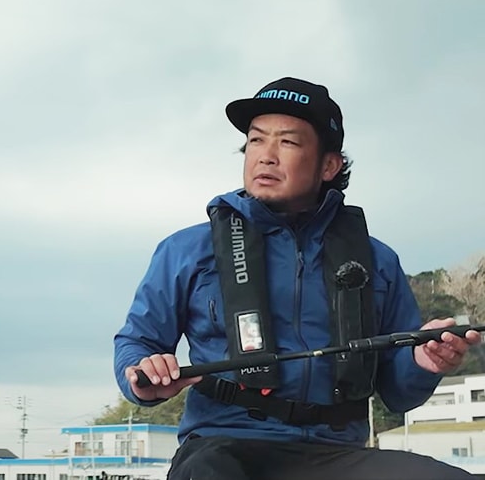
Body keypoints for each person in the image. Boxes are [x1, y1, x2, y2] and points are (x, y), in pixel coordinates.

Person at [113, 76, 482, 480]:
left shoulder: (378, 260)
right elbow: (138, 341)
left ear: (329, 165)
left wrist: (424, 360)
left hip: (336, 453)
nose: (266, 156)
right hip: (225, 446)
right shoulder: (185, 249)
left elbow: (399, 393)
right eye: (255, 141)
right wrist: (141, 375)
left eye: (287, 142)